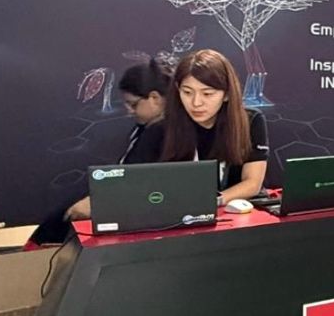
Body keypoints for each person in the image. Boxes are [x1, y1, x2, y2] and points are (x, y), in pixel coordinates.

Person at [30, 60, 172, 244]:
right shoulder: (146, 128)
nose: (129, 111)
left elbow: (141, 184)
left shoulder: (161, 133)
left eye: (133, 104)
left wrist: (100, 203)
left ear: (155, 98)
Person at [160, 49, 268, 203]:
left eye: (207, 94)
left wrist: (210, 203)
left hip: (233, 209)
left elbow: (252, 183)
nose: (196, 103)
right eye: (187, 92)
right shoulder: (164, 127)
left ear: (226, 94)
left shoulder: (250, 120)